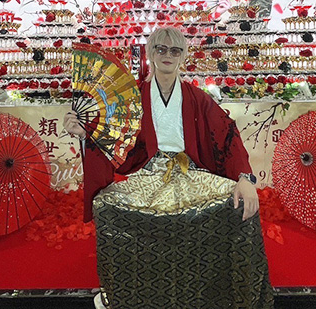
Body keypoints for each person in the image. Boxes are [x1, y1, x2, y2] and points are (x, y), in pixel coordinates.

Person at [64, 27, 272, 309]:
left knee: (240, 205)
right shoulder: (133, 98)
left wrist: (245, 179)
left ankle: (226, 296)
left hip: (191, 173)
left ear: (183, 56)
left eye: (175, 50)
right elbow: (110, 140)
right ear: (150, 53)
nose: (167, 55)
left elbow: (227, 135)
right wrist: (84, 133)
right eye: (160, 49)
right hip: (148, 175)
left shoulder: (197, 98)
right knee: (106, 207)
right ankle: (124, 295)